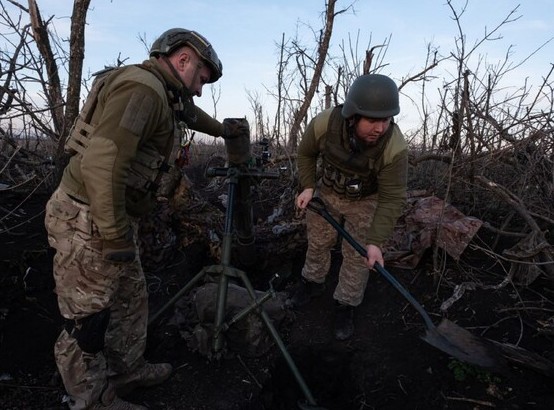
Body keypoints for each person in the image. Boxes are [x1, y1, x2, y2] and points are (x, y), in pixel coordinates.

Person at [44, 28, 246, 410]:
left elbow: (189, 113)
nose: (201, 90)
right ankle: (90, 399)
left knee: (130, 298)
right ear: (183, 59)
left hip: (110, 215)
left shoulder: (163, 91)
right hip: (88, 218)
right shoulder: (142, 91)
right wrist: (116, 235)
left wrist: (222, 131)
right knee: (88, 318)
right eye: (201, 79)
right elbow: (102, 164)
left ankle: (125, 371)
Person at [287, 74, 408, 341]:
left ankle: (346, 305)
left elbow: (392, 197)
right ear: (353, 116)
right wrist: (307, 186)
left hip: (366, 200)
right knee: (318, 242)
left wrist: (376, 242)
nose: (380, 128)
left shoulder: (394, 147)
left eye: (386, 120)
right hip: (327, 192)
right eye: (373, 120)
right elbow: (306, 153)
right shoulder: (324, 124)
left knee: (358, 256)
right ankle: (312, 283)